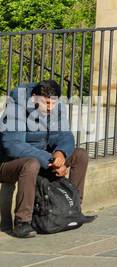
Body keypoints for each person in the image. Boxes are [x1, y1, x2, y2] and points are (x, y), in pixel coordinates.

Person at [1, 80, 95, 238]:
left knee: (80, 155)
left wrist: (60, 153)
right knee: (31, 164)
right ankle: (22, 221)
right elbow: (13, 146)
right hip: (8, 163)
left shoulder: (56, 108)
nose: (51, 107)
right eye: (46, 103)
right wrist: (50, 160)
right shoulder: (15, 108)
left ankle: (73, 209)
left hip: (43, 157)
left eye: (54, 103)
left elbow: (64, 134)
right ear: (34, 97)